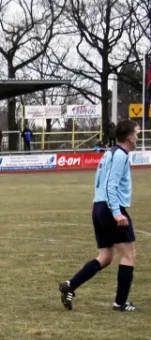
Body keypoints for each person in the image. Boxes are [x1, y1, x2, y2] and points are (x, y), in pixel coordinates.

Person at [58, 120, 139, 312]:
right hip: (111, 208)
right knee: (129, 256)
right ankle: (120, 303)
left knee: (105, 256)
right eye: (136, 133)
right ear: (129, 137)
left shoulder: (108, 153)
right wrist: (117, 213)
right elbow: (111, 185)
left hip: (100, 206)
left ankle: (70, 285)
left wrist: (98, 206)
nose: (137, 136)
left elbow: (99, 182)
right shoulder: (120, 155)